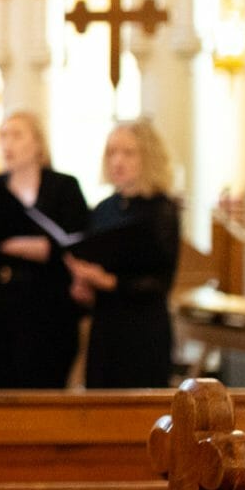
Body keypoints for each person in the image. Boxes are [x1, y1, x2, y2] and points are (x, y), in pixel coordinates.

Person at [0, 111, 90, 389]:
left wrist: (0, 242)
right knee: (1, 384)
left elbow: (68, 244)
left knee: (42, 385)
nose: (7, 143)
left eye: (17, 135)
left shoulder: (63, 187)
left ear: (38, 143)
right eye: (3, 136)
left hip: (46, 306)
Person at [69, 119, 181, 389]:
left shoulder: (161, 210)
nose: (117, 161)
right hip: (106, 326)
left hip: (143, 329)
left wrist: (108, 282)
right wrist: (84, 285)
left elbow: (160, 282)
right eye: (111, 152)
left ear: (149, 157)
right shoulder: (104, 209)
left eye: (128, 153)